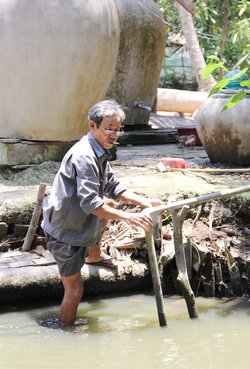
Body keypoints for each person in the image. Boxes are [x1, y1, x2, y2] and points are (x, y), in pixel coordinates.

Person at [42, 99, 163, 325]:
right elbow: (91, 205)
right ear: (92, 126)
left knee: (109, 203)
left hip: (77, 221)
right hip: (65, 231)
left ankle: (93, 254)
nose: (114, 134)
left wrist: (146, 202)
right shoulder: (85, 156)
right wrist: (131, 217)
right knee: (75, 291)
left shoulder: (100, 150)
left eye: (118, 130)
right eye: (109, 129)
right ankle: (63, 333)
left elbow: (115, 187)